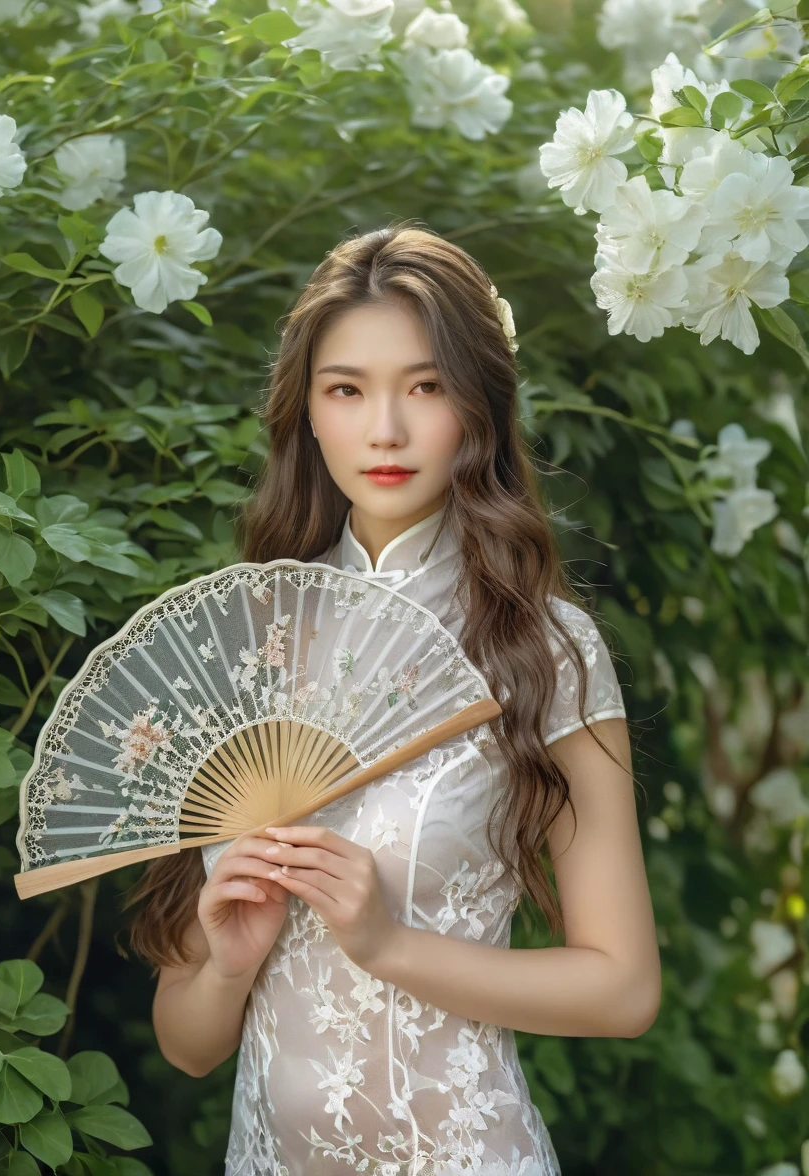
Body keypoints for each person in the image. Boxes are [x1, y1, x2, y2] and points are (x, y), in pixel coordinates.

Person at [124, 219, 661, 1175]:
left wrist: (387, 943)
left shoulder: (543, 649)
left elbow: (622, 992)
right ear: (309, 414)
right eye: (347, 390)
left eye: (426, 386)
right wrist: (232, 962)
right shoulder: (249, 645)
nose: (385, 429)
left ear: (479, 408)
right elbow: (188, 1042)